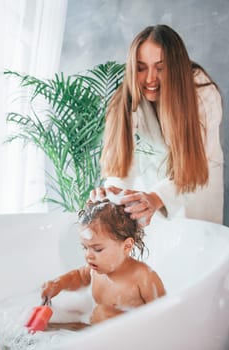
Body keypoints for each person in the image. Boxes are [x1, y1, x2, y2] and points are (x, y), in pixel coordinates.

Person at [91, 24, 224, 226]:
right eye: (141, 68)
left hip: (198, 185)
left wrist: (157, 197)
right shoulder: (126, 98)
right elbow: (120, 163)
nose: (150, 78)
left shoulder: (202, 94)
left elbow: (196, 164)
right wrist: (112, 194)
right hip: (151, 187)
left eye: (160, 68)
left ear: (176, 68)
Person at [41, 199, 166, 324]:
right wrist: (58, 284)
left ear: (126, 246)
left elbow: (163, 316)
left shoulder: (143, 276)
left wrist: (115, 317)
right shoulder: (94, 270)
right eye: (85, 247)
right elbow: (78, 277)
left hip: (131, 335)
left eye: (97, 249)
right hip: (99, 330)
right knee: (54, 324)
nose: (88, 255)